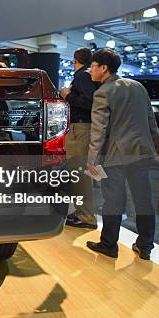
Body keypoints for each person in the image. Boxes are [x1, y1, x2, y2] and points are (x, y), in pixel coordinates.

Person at [85, 49, 159, 260]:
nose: (89, 70)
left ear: (104, 68)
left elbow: (98, 130)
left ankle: (109, 245)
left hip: (115, 155)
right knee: (143, 199)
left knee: (113, 200)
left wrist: (91, 160)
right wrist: (157, 147)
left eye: (92, 66)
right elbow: (150, 120)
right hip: (140, 152)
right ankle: (145, 246)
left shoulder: (103, 92)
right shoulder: (137, 87)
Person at [59, 47, 99, 229]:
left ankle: (86, 216)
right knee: (82, 172)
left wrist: (68, 95)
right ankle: (83, 211)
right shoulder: (90, 75)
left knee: (79, 173)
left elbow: (89, 101)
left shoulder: (82, 75)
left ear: (75, 61)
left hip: (81, 128)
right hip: (86, 128)